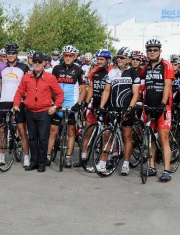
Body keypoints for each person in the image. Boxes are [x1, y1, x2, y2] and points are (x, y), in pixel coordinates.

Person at [92, 47, 140, 175]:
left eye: (122, 57)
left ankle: (125, 163)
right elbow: (107, 91)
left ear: (128, 59)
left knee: (126, 136)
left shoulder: (133, 73)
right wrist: (102, 106)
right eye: (118, 57)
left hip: (126, 109)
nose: (119, 59)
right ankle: (102, 163)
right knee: (108, 135)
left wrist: (130, 109)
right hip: (113, 108)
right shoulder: (112, 72)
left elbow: (135, 94)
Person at [13, 52, 64, 172]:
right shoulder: (26, 77)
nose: (37, 64)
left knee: (43, 138)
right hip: (30, 111)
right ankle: (33, 162)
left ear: (44, 63)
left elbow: (60, 94)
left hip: (44, 113)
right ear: (31, 62)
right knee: (32, 138)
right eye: (34, 62)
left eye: (39, 62)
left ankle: (41, 163)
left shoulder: (50, 78)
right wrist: (16, 104)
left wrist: (55, 106)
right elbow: (19, 91)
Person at [139, 39, 175, 182]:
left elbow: (167, 85)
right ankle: (152, 166)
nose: (152, 52)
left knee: (163, 138)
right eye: (149, 50)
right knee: (150, 138)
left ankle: (167, 170)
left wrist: (163, 104)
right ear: (147, 52)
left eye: (155, 50)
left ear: (160, 51)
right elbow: (138, 79)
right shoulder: (146, 67)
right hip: (148, 106)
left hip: (162, 107)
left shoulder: (167, 65)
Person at [47, 45, 86, 167]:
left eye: (70, 56)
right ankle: (48, 155)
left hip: (71, 105)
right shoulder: (57, 68)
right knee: (53, 131)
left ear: (74, 57)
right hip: (59, 104)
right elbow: (52, 87)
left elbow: (83, 90)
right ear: (63, 56)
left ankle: (68, 157)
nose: (68, 57)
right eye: (66, 55)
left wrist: (78, 104)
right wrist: (53, 102)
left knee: (71, 131)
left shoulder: (79, 70)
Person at [0, 42, 30, 167]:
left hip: (19, 101)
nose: (10, 55)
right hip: (4, 100)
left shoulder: (23, 67)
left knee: (21, 129)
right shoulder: (1, 67)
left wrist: (26, 100)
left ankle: (26, 156)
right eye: (8, 53)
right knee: (2, 130)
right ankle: (2, 156)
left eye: (13, 53)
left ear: (16, 53)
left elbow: (28, 85)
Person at [75, 49, 112, 168]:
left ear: (108, 60)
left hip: (107, 107)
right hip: (95, 104)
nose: (99, 62)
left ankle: (105, 160)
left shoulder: (111, 72)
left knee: (106, 136)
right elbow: (90, 88)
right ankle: (83, 158)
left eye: (102, 59)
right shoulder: (94, 71)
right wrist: (86, 103)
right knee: (87, 132)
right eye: (98, 59)